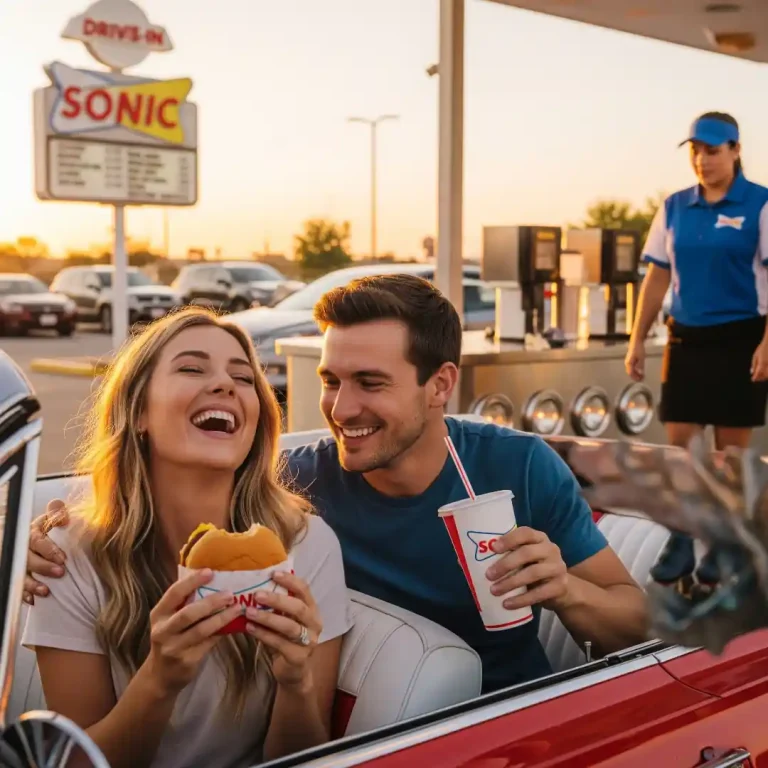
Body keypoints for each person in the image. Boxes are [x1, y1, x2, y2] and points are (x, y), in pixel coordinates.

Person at [27, 276, 647, 695]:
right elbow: (170, 493)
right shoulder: (295, 486)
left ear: (439, 385)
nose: (341, 408)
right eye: (330, 379)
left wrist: (565, 590)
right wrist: (41, 536)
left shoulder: (520, 467)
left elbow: (634, 621)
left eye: (370, 383)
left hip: (516, 721)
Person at [21, 309, 351, 768]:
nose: (226, 385)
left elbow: (305, 759)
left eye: (243, 377)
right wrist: (160, 679)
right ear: (138, 412)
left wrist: (297, 682)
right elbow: (72, 763)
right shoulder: (66, 554)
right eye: (192, 368)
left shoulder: (307, 545)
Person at [625, 112, 768, 586]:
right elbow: (658, 276)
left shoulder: (760, 204)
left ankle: (726, 545)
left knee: (730, 457)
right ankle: (684, 537)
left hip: (740, 339)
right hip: (685, 338)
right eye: (696, 151)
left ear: (735, 150)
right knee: (682, 449)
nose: (703, 160)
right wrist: (637, 338)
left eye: (712, 150)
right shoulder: (675, 206)